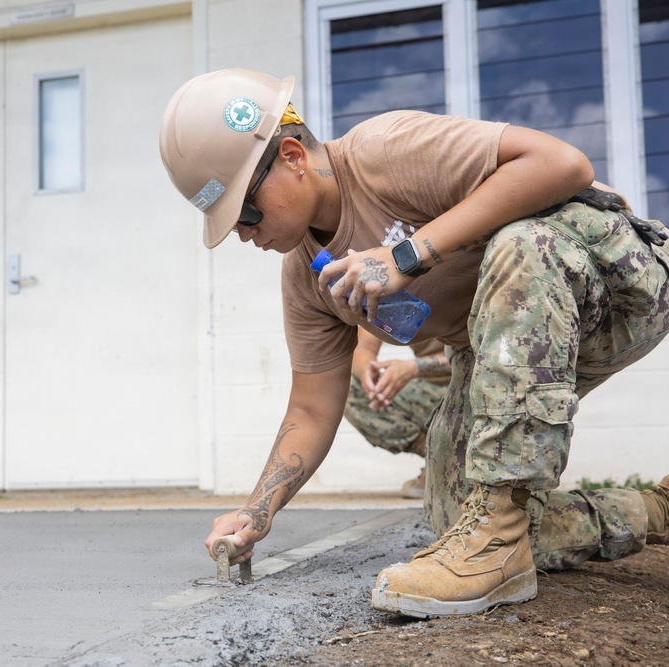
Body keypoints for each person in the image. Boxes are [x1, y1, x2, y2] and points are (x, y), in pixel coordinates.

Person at [158, 68, 669, 619]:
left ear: (292, 156)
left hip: (616, 281)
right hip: (514, 342)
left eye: (246, 211)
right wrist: (258, 511)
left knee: (521, 244)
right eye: (232, 223)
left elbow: (563, 165)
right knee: (454, 517)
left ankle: (496, 542)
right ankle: (652, 510)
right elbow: (311, 405)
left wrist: (407, 255)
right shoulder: (306, 277)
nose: (244, 233)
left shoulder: (384, 151)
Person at [345, 329, 449, 499]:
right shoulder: (381, 302)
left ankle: (467, 462)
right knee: (349, 387)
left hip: (479, 387)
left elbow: (487, 355)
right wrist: (369, 377)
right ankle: (443, 461)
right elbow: (363, 349)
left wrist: (414, 367)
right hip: (431, 390)